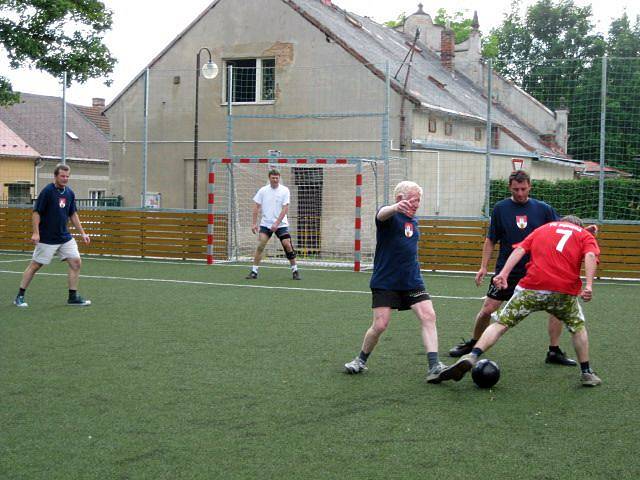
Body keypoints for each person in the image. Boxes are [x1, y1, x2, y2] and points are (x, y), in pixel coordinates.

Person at [436, 216, 602, 387]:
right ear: (580, 227)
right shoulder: (584, 235)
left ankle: (473, 355)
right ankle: (587, 372)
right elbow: (590, 255)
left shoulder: (543, 229)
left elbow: (520, 250)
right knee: (578, 327)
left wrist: (504, 273)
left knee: (501, 324)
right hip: (562, 293)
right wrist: (589, 285)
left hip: (532, 288)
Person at [448, 170, 577, 367]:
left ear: (530, 187)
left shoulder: (543, 209)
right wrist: (483, 267)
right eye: (516, 189)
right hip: (506, 272)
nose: (519, 193)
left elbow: (563, 231)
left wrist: (584, 232)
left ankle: (554, 351)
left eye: (523, 189)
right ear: (510, 187)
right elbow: (491, 240)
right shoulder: (500, 208)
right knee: (487, 310)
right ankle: (474, 343)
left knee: (556, 310)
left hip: (537, 271)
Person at [344, 181, 446, 383]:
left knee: (428, 315)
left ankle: (435, 366)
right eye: (414, 200)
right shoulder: (389, 218)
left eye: (419, 200)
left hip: (412, 281)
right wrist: (394, 208)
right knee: (380, 325)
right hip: (386, 281)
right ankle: (360, 360)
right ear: (401, 199)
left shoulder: (413, 222)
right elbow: (381, 214)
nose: (417, 204)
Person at [13, 164, 91, 307]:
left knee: (76, 262)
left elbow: (73, 214)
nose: (65, 179)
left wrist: (83, 233)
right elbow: (36, 212)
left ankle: (72, 297)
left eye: (67, 176)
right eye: (62, 176)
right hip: (47, 238)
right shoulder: (48, 191)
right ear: (55, 176)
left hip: (64, 237)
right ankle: (19, 296)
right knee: (35, 265)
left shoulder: (69, 193)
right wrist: (36, 233)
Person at [245, 168, 300, 280]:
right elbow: (256, 206)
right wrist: (254, 223)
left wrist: (277, 223)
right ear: (269, 178)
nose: (275, 180)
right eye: (273, 178)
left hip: (281, 224)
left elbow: (285, 208)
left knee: (287, 244)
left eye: (277, 178)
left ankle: (295, 270)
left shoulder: (285, 190)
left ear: (279, 178)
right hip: (266, 224)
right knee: (261, 245)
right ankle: (254, 272)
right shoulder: (263, 190)